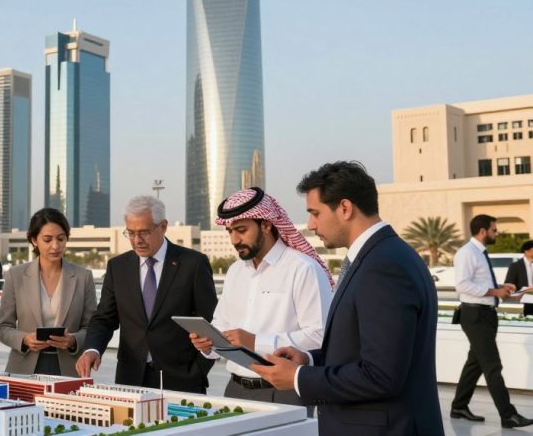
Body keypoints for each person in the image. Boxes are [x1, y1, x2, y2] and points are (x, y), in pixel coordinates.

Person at [250, 161, 443, 435]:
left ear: (345, 208)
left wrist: (298, 377)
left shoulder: (382, 265)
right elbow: (362, 350)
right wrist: (309, 359)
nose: (310, 224)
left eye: (315, 213)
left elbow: (381, 376)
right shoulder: (380, 256)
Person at [190, 188, 333, 410]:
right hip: (235, 390)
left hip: (285, 392)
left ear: (266, 225)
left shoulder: (302, 268)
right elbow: (222, 323)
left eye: (241, 230)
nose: (234, 239)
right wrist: (207, 342)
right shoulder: (236, 271)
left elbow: (320, 337)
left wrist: (256, 342)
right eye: (230, 232)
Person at [76, 196, 217, 392]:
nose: (136, 240)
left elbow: (211, 322)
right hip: (131, 379)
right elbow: (104, 319)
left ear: (163, 226)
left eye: (144, 232)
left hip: (182, 381)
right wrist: (92, 349)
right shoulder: (118, 267)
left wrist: (198, 370)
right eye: (131, 233)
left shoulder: (193, 264)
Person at [449, 214, 533, 427]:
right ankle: (508, 415)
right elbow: (462, 286)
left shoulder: (480, 253)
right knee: (493, 366)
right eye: (494, 230)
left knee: (475, 363)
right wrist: (494, 291)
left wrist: (502, 288)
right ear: (483, 231)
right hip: (474, 315)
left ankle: (459, 406)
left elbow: (482, 284)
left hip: (485, 314)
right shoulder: (466, 253)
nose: (497, 233)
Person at [0, 208, 98, 376]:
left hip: (69, 369)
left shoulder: (83, 277)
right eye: (47, 239)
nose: (55, 246)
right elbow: (3, 327)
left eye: (61, 238)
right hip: (23, 367)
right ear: (34, 240)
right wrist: (24, 339)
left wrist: (73, 340)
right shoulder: (16, 275)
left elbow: (92, 327)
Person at [504, 240, 533, 317]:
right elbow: (509, 285)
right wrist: (522, 292)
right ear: (527, 251)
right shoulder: (515, 266)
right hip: (525, 302)